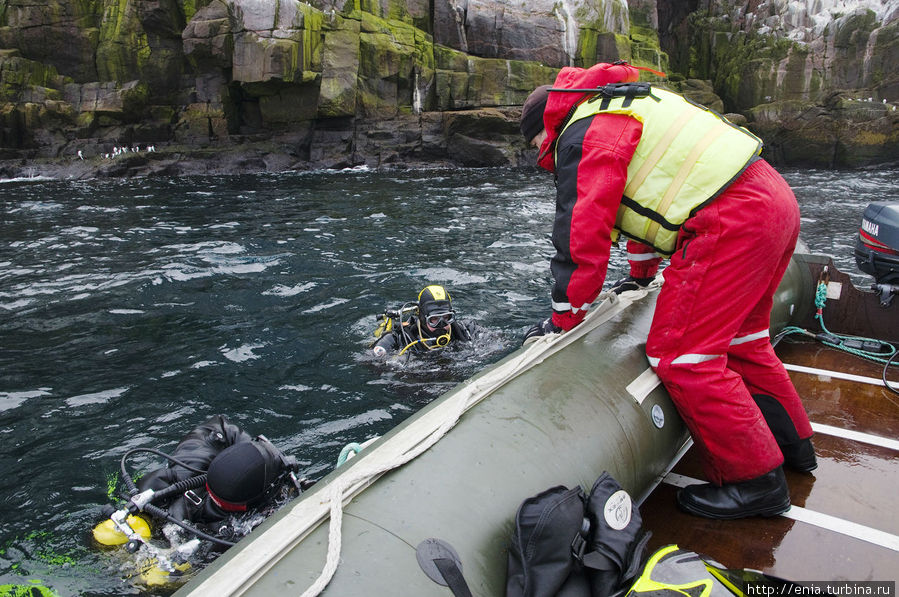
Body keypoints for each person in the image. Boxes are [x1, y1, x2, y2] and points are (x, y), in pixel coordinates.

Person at [519, 61, 816, 520]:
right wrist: (640, 276)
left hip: (728, 219)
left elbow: (581, 233)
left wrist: (565, 317)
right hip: (771, 199)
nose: (539, 153)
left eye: (535, 144)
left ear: (545, 127)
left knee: (682, 355)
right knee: (745, 340)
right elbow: (653, 195)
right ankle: (795, 447)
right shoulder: (624, 106)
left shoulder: (580, 133)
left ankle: (757, 483)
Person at [371, 284, 477, 357]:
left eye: (446, 318)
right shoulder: (399, 338)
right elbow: (370, 361)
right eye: (434, 319)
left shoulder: (466, 329)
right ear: (422, 317)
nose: (441, 325)